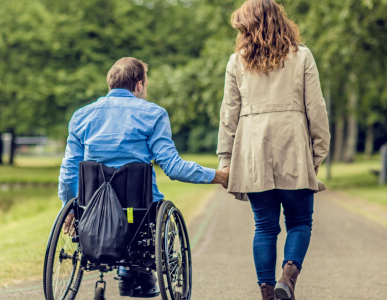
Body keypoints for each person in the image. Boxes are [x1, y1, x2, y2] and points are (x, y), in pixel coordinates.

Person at [58, 57, 229, 297]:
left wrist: (71, 207)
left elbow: (68, 172)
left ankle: (129, 273)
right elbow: (173, 167)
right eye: (145, 85)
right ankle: (133, 273)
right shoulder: (153, 114)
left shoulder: (81, 116)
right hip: (139, 212)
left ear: (110, 85)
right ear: (139, 85)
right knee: (148, 210)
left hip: (92, 210)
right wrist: (218, 176)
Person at [216, 0, 331, 299]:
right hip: (292, 145)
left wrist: (225, 160)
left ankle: (268, 293)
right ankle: (288, 279)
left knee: (265, 226)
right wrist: (318, 153)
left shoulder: (236, 62)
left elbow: (229, 114)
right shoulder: (302, 56)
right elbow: (316, 108)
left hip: (253, 149)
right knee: (300, 222)